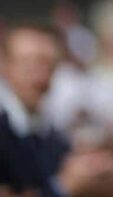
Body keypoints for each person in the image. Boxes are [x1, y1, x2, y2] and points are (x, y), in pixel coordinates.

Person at [0, 23, 70, 196]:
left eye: (49, 65)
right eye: (28, 63)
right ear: (6, 65)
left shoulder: (53, 135)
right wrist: (63, 186)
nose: (40, 75)